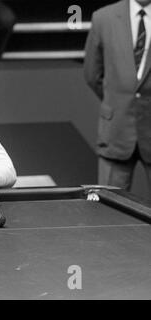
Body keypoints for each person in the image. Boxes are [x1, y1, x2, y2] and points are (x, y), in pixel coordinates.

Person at [84, 0, 151, 193]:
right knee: (109, 210)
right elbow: (92, 74)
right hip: (116, 130)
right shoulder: (103, 18)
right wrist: (116, 101)